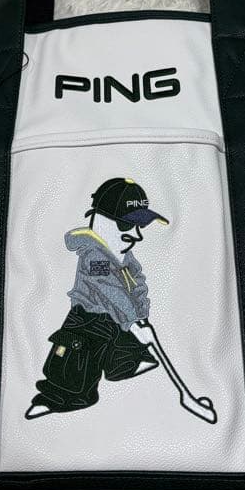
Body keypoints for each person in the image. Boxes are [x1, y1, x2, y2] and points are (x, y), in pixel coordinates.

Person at [25, 177, 169, 419]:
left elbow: (137, 284)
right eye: (127, 225)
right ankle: (52, 400)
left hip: (118, 320)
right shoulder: (94, 257)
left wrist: (142, 315)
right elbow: (108, 289)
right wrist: (134, 323)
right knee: (74, 371)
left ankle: (125, 365)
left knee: (129, 356)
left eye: (140, 226)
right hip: (88, 323)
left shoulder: (125, 257)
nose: (136, 235)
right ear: (101, 220)